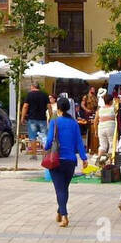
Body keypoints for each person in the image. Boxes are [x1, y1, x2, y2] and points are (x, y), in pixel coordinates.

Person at [47, 95, 89, 227]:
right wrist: (84, 158)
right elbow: (79, 143)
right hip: (70, 161)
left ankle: (64, 216)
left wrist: (46, 147)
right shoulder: (74, 123)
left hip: (56, 160)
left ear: (58, 108)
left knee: (60, 189)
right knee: (64, 188)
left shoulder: (54, 122)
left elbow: (48, 142)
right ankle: (60, 211)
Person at [22, 81, 50, 147]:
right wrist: (50, 116)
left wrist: (22, 117)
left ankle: (34, 155)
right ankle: (45, 153)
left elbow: (25, 106)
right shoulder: (44, 95)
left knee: (32, 137)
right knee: (44, 137)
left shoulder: (29, 94)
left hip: (32, 119)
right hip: (42, 119)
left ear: (32, 87)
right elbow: (49, 107)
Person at [96, 91, 117, 160]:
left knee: (102, 146)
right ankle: (110, 162)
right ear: (111, 101)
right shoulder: (113, 108)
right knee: (112, 145)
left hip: (101, 128)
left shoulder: (100, 109)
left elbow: (96, 120)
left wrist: (96, 130)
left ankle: (99, 160)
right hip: (111, 128)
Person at [79, 88, 97, 153]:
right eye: (93, 89)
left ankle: (92, 146)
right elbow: (82, 105)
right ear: (90, 90)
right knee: (88, 130)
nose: (94, 91)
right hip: (87, 114)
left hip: (93, 114)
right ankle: (87, 146)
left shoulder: (95, 97)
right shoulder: (86, 97)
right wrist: (86, 110)